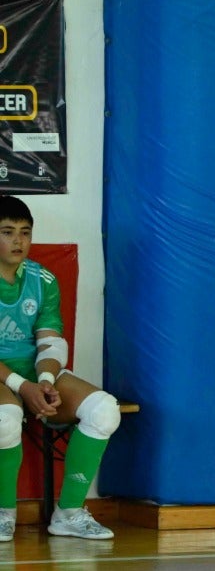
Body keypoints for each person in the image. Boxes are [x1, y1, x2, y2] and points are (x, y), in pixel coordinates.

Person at [0, 195, 123, 541]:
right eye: (7, 232)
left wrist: (44, 381)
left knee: (104, 410)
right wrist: (23, 388)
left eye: (25, 232)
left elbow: (51, 342)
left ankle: (68, 513)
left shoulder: (43, 280)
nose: (18, 241)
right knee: (5, 419)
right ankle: (3, 513)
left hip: (32, 373)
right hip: (3, 378)